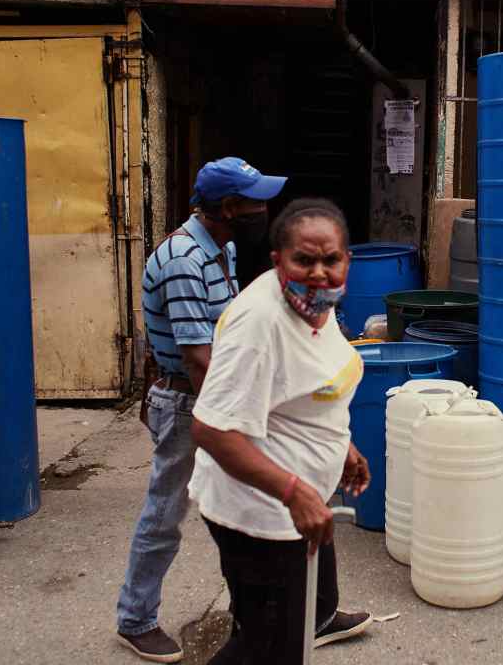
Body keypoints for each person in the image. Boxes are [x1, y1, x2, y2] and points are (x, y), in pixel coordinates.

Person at [117, 157, 286, 664]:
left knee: (240, 509)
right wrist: (235, 420)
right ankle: (135, 619)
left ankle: (257, 610)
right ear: (229, 207)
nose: (265, 208)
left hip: (212, 396)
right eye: (255, 200)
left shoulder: (221, 248)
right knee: (167, 512)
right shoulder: (186, 260)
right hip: (194, 403)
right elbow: (198, 360)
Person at [190, 198, 374, 664]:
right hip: (263, 515)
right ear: (278, 262)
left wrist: (342, 443)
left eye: (330, 259)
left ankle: (307, 623)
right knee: (267, 648)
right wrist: (293, 491)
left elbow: (306, 388)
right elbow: (211, 428)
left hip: (302, 503)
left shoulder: (317, 302)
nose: (319, 272)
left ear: (346, 259)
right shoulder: (261, 323)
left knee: (308, 612)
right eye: (304, 260)